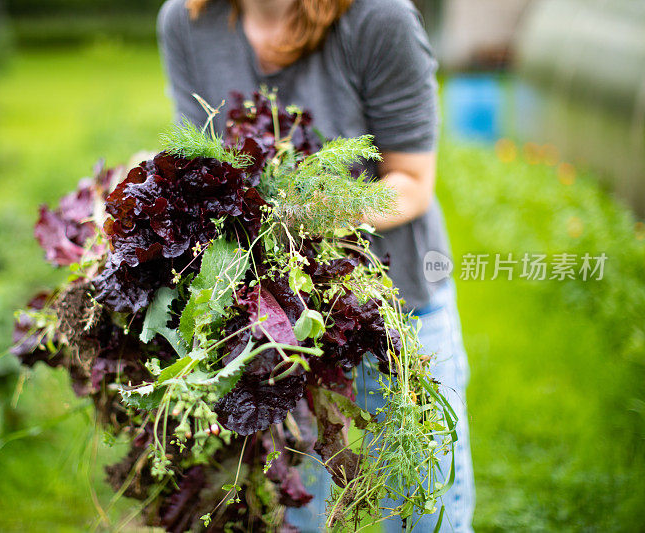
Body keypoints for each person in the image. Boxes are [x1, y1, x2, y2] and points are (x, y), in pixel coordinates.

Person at [156, 0, 475, 531]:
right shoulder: (186, 20)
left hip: (394, 308)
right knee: (300, 510)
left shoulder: (377, 19)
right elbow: (198, 164)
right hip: (280, 326)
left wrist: (299, 215)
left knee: (423, 511)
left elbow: (412, 181)